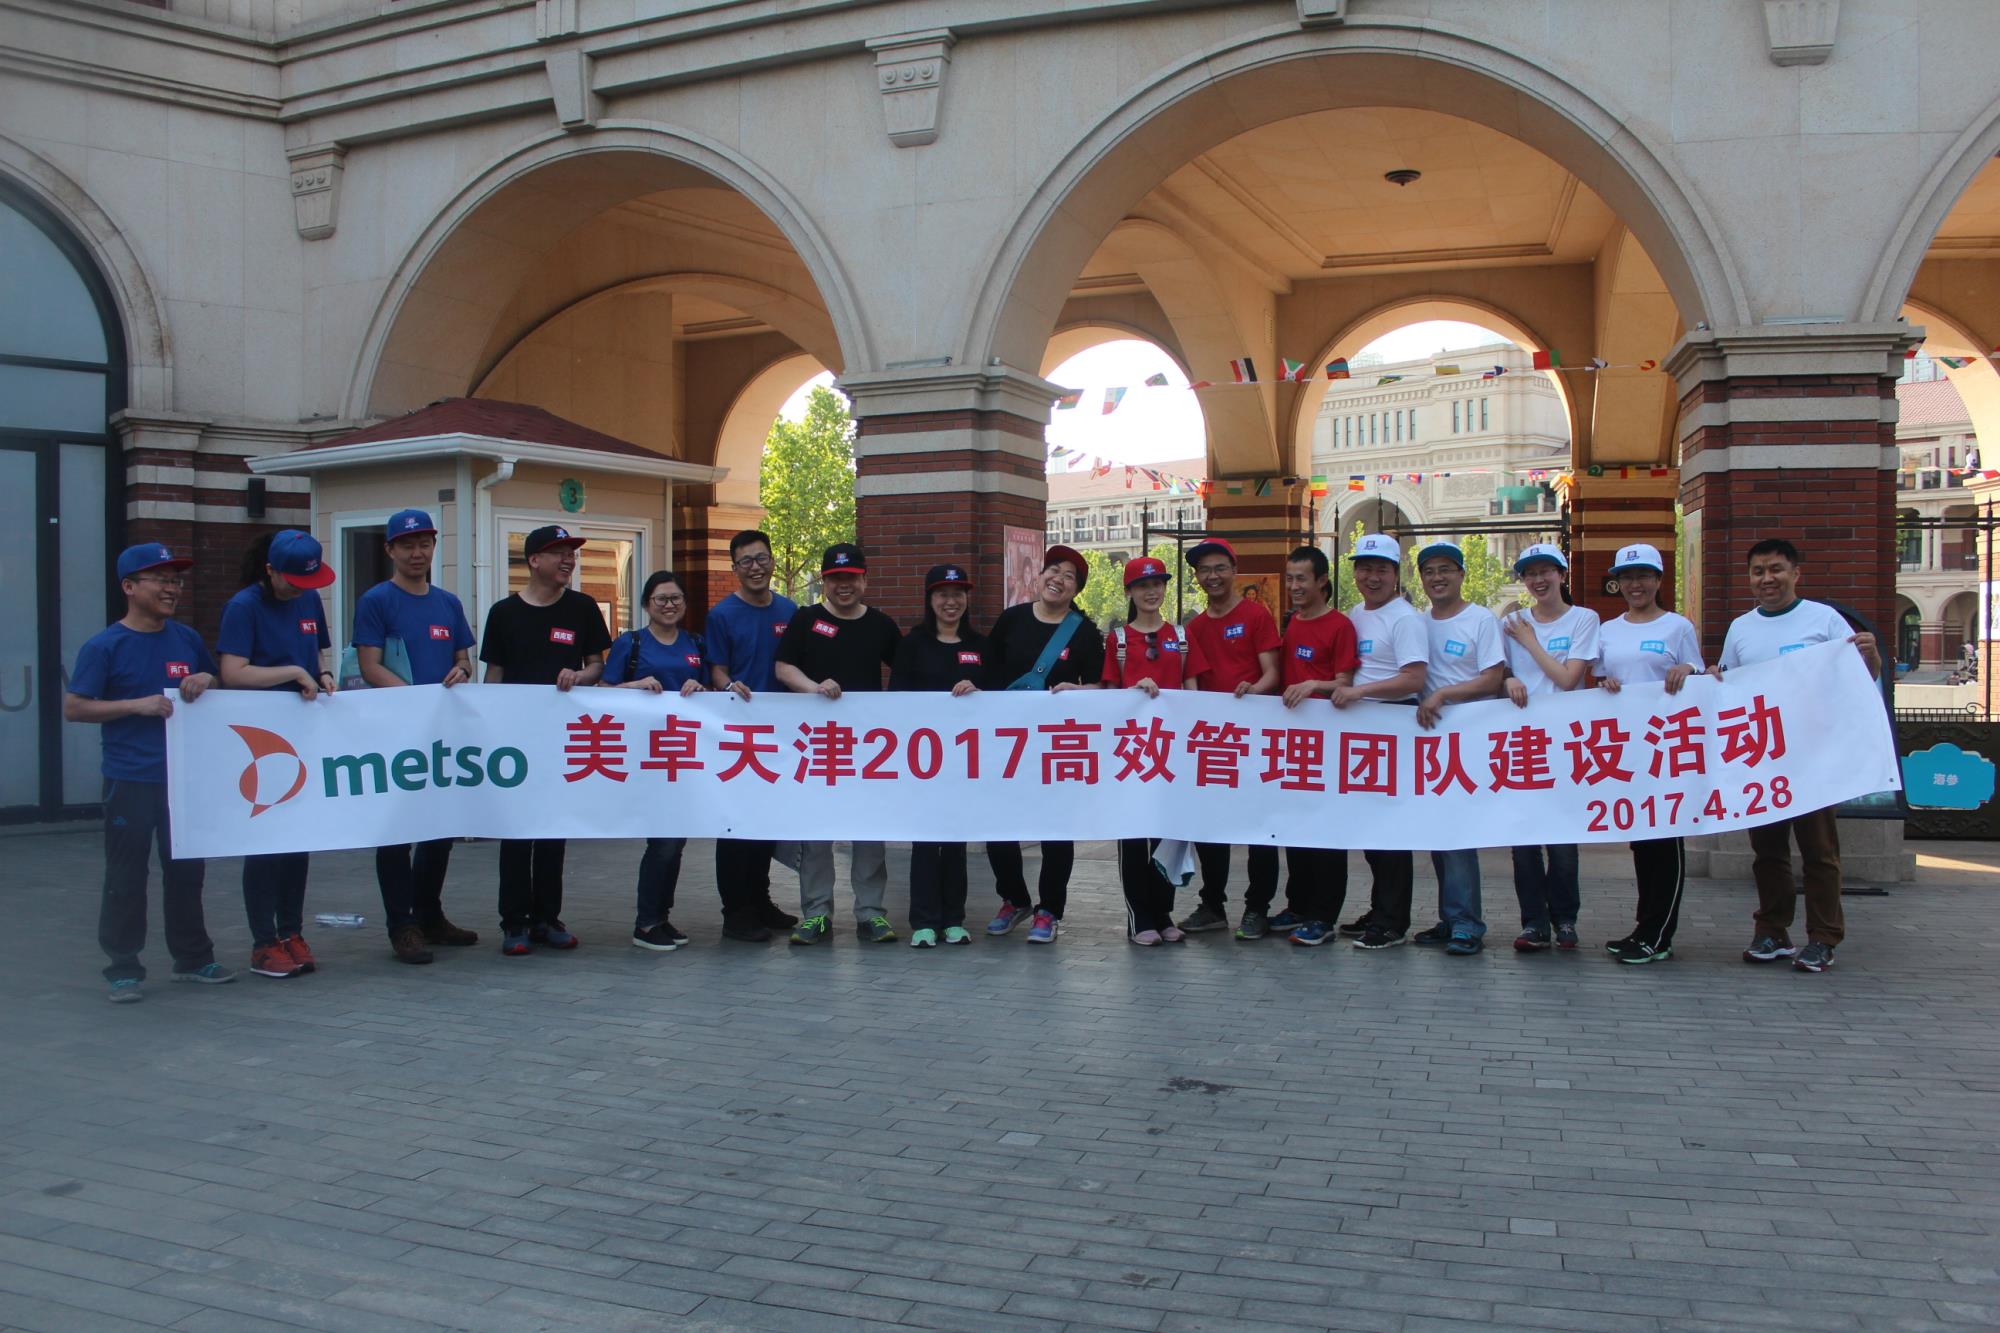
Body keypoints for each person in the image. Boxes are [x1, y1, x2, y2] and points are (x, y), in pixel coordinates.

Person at [65, 543, 236, 1002]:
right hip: (131, 778)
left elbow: (216, 680)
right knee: (126, 875)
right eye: (160, 579)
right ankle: (123, 968)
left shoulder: (186, 639)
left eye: (175, 580)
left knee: (187, 871)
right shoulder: (104, 646)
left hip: (183, 778)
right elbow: (75, 707)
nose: (172, 588)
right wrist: (134, 706)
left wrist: (208, 679)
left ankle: (193, 959)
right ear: (129, 587)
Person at [1716, 537, 1882, 975]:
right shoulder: (1741, 628)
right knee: (1767, 851)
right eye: (1758, 571)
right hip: (1762, 756)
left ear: (1795, 573)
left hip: (1813, 755)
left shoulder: (1824, 620)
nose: (1767, 579)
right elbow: (1729, 685)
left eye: (1776, 569)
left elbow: (1860, 678)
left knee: (1818, 851)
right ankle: (1772, 931)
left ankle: (1823, 938)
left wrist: (1872, 659)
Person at [351, 508, 479, 965]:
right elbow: (369, 666)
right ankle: (401, 925)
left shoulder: (448, 603)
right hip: (395, 731)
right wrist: (414, 701)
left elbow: (463, 659)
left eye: (424, 543)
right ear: (390, 549)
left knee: (439, 829)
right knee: (397, 831)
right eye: (407, 545)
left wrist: (461, 670)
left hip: (440, 733)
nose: (417, 553)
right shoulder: (376, 601)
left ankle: (429, 915)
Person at [479, 524, 611, 956]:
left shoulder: (582, 608)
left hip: (564, 737)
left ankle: (547, 918)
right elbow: (494, 675)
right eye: (559, 552)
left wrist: (580, 675)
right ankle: (514, 922)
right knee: (517, 832)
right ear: (534, 560)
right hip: (516, 741)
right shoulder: (504, 612)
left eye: (572, 553)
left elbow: (597, 666)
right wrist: (489, 728)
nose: (568, 560)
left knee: (554, 830)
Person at [217, 529, 336, 979]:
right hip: (262, 736)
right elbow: (232, 672)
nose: (301, 590)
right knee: (266, 841)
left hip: (302, 729)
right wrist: (293, 673)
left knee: (297, 840)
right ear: (270, 570)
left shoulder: (308, 599)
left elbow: (317, 651)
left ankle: (291, 931)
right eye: (293, 581)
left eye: (309, 581)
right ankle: (263, 941)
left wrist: (322, 674)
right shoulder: (244, 606)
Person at [774, 543, 903, 945]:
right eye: (835, 579)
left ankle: (871, 913)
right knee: (816, 833)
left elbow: (907, 672)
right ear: (824, 581)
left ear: (864, 580)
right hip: (817, 745)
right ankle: (816, 913)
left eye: (851, 578)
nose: (843, 585)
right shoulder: (806, 619)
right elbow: (783, 667)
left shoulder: (881, 625)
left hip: (868, 747)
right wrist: (814, 688)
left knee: (869, 833)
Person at [982, 544, 1106, 944]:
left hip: (1057, 744)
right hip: (1008, 741)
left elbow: (1102, 686)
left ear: (1076, 590)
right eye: (1054, 570)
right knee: (998, 824)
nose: (1058, 579)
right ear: (1039, 576)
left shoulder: (1083, 633)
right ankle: (1014, 898)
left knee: (1056, 828)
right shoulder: (1011, 620)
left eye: (1069, 576)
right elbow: (988, 672)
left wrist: (1079, 691)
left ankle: (1049, 910)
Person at [1595, 542, 1704, 965]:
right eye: (1627, 577)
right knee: (1641, 842)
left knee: (1665, 839)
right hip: (1626, 750)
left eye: (1643, 576)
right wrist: (1603, 684)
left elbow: (1697, 674)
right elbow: (1599, 679)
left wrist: (1687, 670)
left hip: (1667, 746)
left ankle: (1659, 935)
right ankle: (1644, 928)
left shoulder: (1678, 627)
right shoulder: (1608, 630)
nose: (1634, 584)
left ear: (1658, 580)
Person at [1173, 537, 1282, 940]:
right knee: (1210, 828)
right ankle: (1212, 905)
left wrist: (1254, 691)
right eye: (1204, 570)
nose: (1212, 576)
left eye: (1220, 568)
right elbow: (1190, 682)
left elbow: (1273, 673)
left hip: (1254, 737)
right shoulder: (1195, 628)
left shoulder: (1256, 615)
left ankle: (1257, 908)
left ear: (1234, 571)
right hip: (1213, 741)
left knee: (1259, 829)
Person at [603, 570, 717, 953]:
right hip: (646, 755)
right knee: (663, 841)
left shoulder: (696, 643)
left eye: (676, 598)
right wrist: (634, 686)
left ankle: (661, 917)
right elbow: (603, 692)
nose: (669, 605)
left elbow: (712, 691)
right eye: (661, 599)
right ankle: (646, 922)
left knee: (676, 841)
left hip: (683, 754)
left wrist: (701, 687)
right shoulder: (631, 643)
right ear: (646, 604)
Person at [1100, 555, 1210, 945]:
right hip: (1132, 754)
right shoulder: (1118, 640)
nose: (1151, 592)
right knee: (1134, 836)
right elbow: (1109, 697)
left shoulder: (1181, 637)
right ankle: (1139, 918)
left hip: (1173, 752)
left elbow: (1193, 693)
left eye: (1157, 584)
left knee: (1170, 834)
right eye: (1143, 586)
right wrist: (1134, 692)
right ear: (1130, 592)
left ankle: (1163, 913)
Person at [1498, 543, 1600, 954]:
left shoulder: (1583, 619)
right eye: (1529, 574)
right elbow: (1500, 669)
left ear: (1562, 574)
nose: (1538, 580)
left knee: (1561, 840)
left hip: (1565, 740)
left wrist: (1530, 640)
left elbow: (1568, 679)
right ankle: (1534, 923)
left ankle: (1565, 918)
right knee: (1523, 842)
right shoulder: (1510, 622)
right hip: (1521, 742)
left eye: (1545, 571)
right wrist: (1508, 678)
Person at [1331, 534, 1430, 950]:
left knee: (1390, 831)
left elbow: (1413, 679)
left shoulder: (1404, 618)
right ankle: (1379, 910)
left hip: (1392, 723)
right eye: (1365, 568)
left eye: (1381, 570)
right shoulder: (1356, 613)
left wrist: (1359, 693)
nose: (1372, 577)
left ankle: (1392, 922)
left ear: (1396, 573)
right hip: (1362, 729)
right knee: (1370, 831)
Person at [704, 529, 800, 942]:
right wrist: (729, 687)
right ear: (735, 569)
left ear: (773, 561)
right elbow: (717, 670)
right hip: (738, 735)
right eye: (746, 561)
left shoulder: (790, 610)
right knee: (735, 826)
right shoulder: (721, 615)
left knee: (766, 823)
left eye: (761, 558)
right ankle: (736, 913)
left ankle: (760, 901)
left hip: (782, 734)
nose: (755, 567)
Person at [1411, 541, 1504, 957]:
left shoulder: (1480, 619)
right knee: (1438, 833)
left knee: (1458, 835)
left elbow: (1492, 678)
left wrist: (1444, 694)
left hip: (1467, 740)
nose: (1437, 578)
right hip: (1428, 741)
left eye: (1446, 569)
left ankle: (1467, 923)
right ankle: (1450, 918)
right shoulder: (1418, 622)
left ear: (1462, 574)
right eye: (1429, 571)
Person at [889, 564, 986, 948]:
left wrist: (978, 690)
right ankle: (925, 921)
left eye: (958, 594)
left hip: (966, 760)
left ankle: (954, 920)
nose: (951, 601)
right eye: (943, 594)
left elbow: (999, 697)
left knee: (956, 841)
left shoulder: (980, 646)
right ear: (930, 600)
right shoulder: (913, 644)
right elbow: (897, 698)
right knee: (926, 842)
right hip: (923, 760)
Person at [1272, 546, 1359, 947]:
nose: (1294, 586)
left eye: (1301, 579)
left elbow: (1345, 683)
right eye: (1290, 578)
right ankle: (1298, 905)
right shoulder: (1293, 622)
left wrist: (1313, 685)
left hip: (1328, 741)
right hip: (1294, 742)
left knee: (1326, 830)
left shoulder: (1340, 626)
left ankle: (1323, 916)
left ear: (1322, 581)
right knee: (1296, 826)